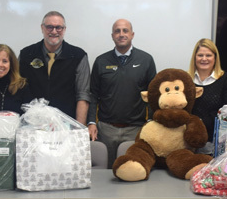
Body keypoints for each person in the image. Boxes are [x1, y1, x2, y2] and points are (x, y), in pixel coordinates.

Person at [87, 19, 157, 167]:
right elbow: (93, 95)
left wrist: (150, 122)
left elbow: (152, 95)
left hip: (135, 129)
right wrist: (91, 122)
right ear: (112, 35)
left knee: (132, 170)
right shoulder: (101, 61)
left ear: (132, 34)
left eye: (125, 30)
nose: (121, 34)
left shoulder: (146, 60)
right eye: (117, 31)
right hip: (106, 130)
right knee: (106, 173)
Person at [19, 11, 91, 124]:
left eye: (58, 28)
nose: (54, 31)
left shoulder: (78, 56)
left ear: (64, 29)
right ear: (42, 28)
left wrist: (78, 129)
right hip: (33, 124)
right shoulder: (26, 55)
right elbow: (17, 89)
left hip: (66, 124)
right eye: (49, 27)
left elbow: (82, 95)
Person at [188, 38, 227, 150]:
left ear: (215, 58)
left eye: (208, 55)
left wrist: (200, 123)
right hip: (188, 141)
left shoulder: (226, 80)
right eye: (200, 55)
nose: (204, 59)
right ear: (195, 57)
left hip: (216, 143)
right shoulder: (186, 80)